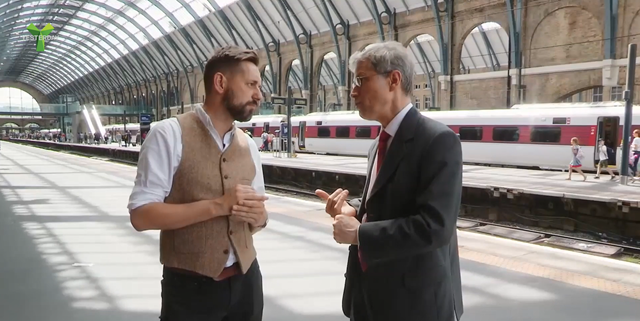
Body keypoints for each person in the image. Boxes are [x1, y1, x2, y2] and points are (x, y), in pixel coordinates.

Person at [315, 41, 464, 321]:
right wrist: (355, 209)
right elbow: (389, 200)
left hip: (413, 304)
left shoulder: (437, 140)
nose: (353, 91)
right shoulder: (379, 143)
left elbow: (435, 227)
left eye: (361, 80)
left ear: (393, 79)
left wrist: (360, 234)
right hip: (369, 296)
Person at [127, 45, 269, 321]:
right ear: (220, 82)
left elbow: (259, 218)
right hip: (190, 291)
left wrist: (259, 217)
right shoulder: (169, 134)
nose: (258, 94)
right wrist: (218, 206)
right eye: (251, 84)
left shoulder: (248, 146)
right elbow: (141, 216)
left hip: (247, 283)